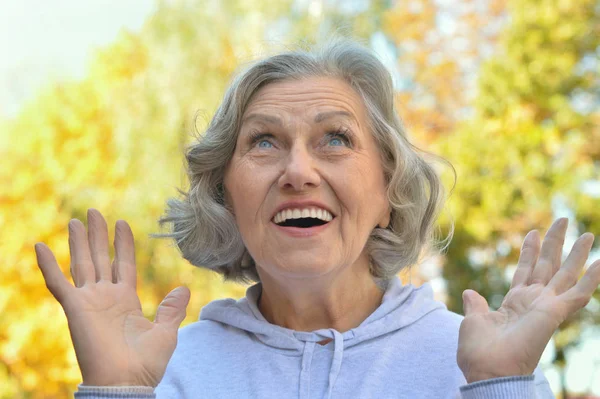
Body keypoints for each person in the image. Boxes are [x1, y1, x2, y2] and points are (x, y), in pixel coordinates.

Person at [34, 38, 600, 399]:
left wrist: (499, 388)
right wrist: (117, 392)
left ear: (389, 193)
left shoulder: (480, 362)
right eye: (264, 142)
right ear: (225, 196)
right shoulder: (163, 369)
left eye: (335, 138)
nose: (298, 170)